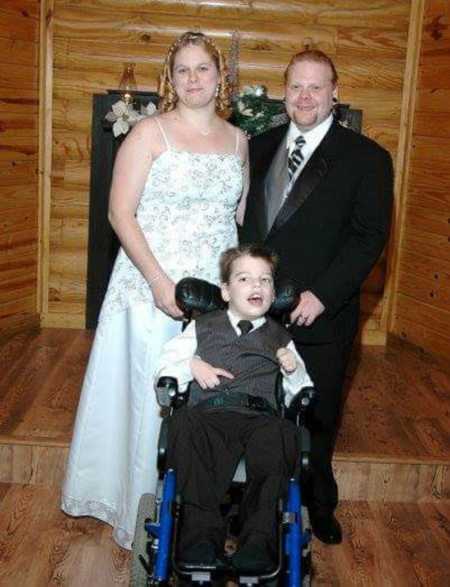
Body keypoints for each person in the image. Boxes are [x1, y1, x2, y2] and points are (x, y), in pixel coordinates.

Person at [61, 31, 248, 550]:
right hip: (151, 283)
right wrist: (160, 281)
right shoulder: (148, 133)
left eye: (202, 69)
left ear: (220, 76)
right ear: (171, 79)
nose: (193, 79)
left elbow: (234, 220)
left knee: (209, 395)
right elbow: (120, 213)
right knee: (151, 392)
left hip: (213, 290)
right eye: (182, 70)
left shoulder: (239, 141)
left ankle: (198, 508)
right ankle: (137, 505)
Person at [240, 50, 393, 544]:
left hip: (321, 315)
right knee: (254, 411)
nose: (305, 97)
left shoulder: (367, 158)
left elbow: (369, 236)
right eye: (296, 87)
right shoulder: (256, 147)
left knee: (318, 414)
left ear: (334, 92)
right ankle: (251, 503)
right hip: (256, 313)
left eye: (316, 87)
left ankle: (318, 501)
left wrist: (324, 295)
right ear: (285, 91)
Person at [155, 244, 313, 572]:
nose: (256, 286)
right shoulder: (201, 327)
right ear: (226, 291)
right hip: (209, 415)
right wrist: (192, 364)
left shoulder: (281, 337)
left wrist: (291, 368)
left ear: (273, 291)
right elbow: (166, 366)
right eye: (245, 279)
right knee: (183, 426)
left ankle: (257, 545)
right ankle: (199, 541)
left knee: (283, 435)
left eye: (265, 280)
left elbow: (303, 391)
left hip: (260, 418)